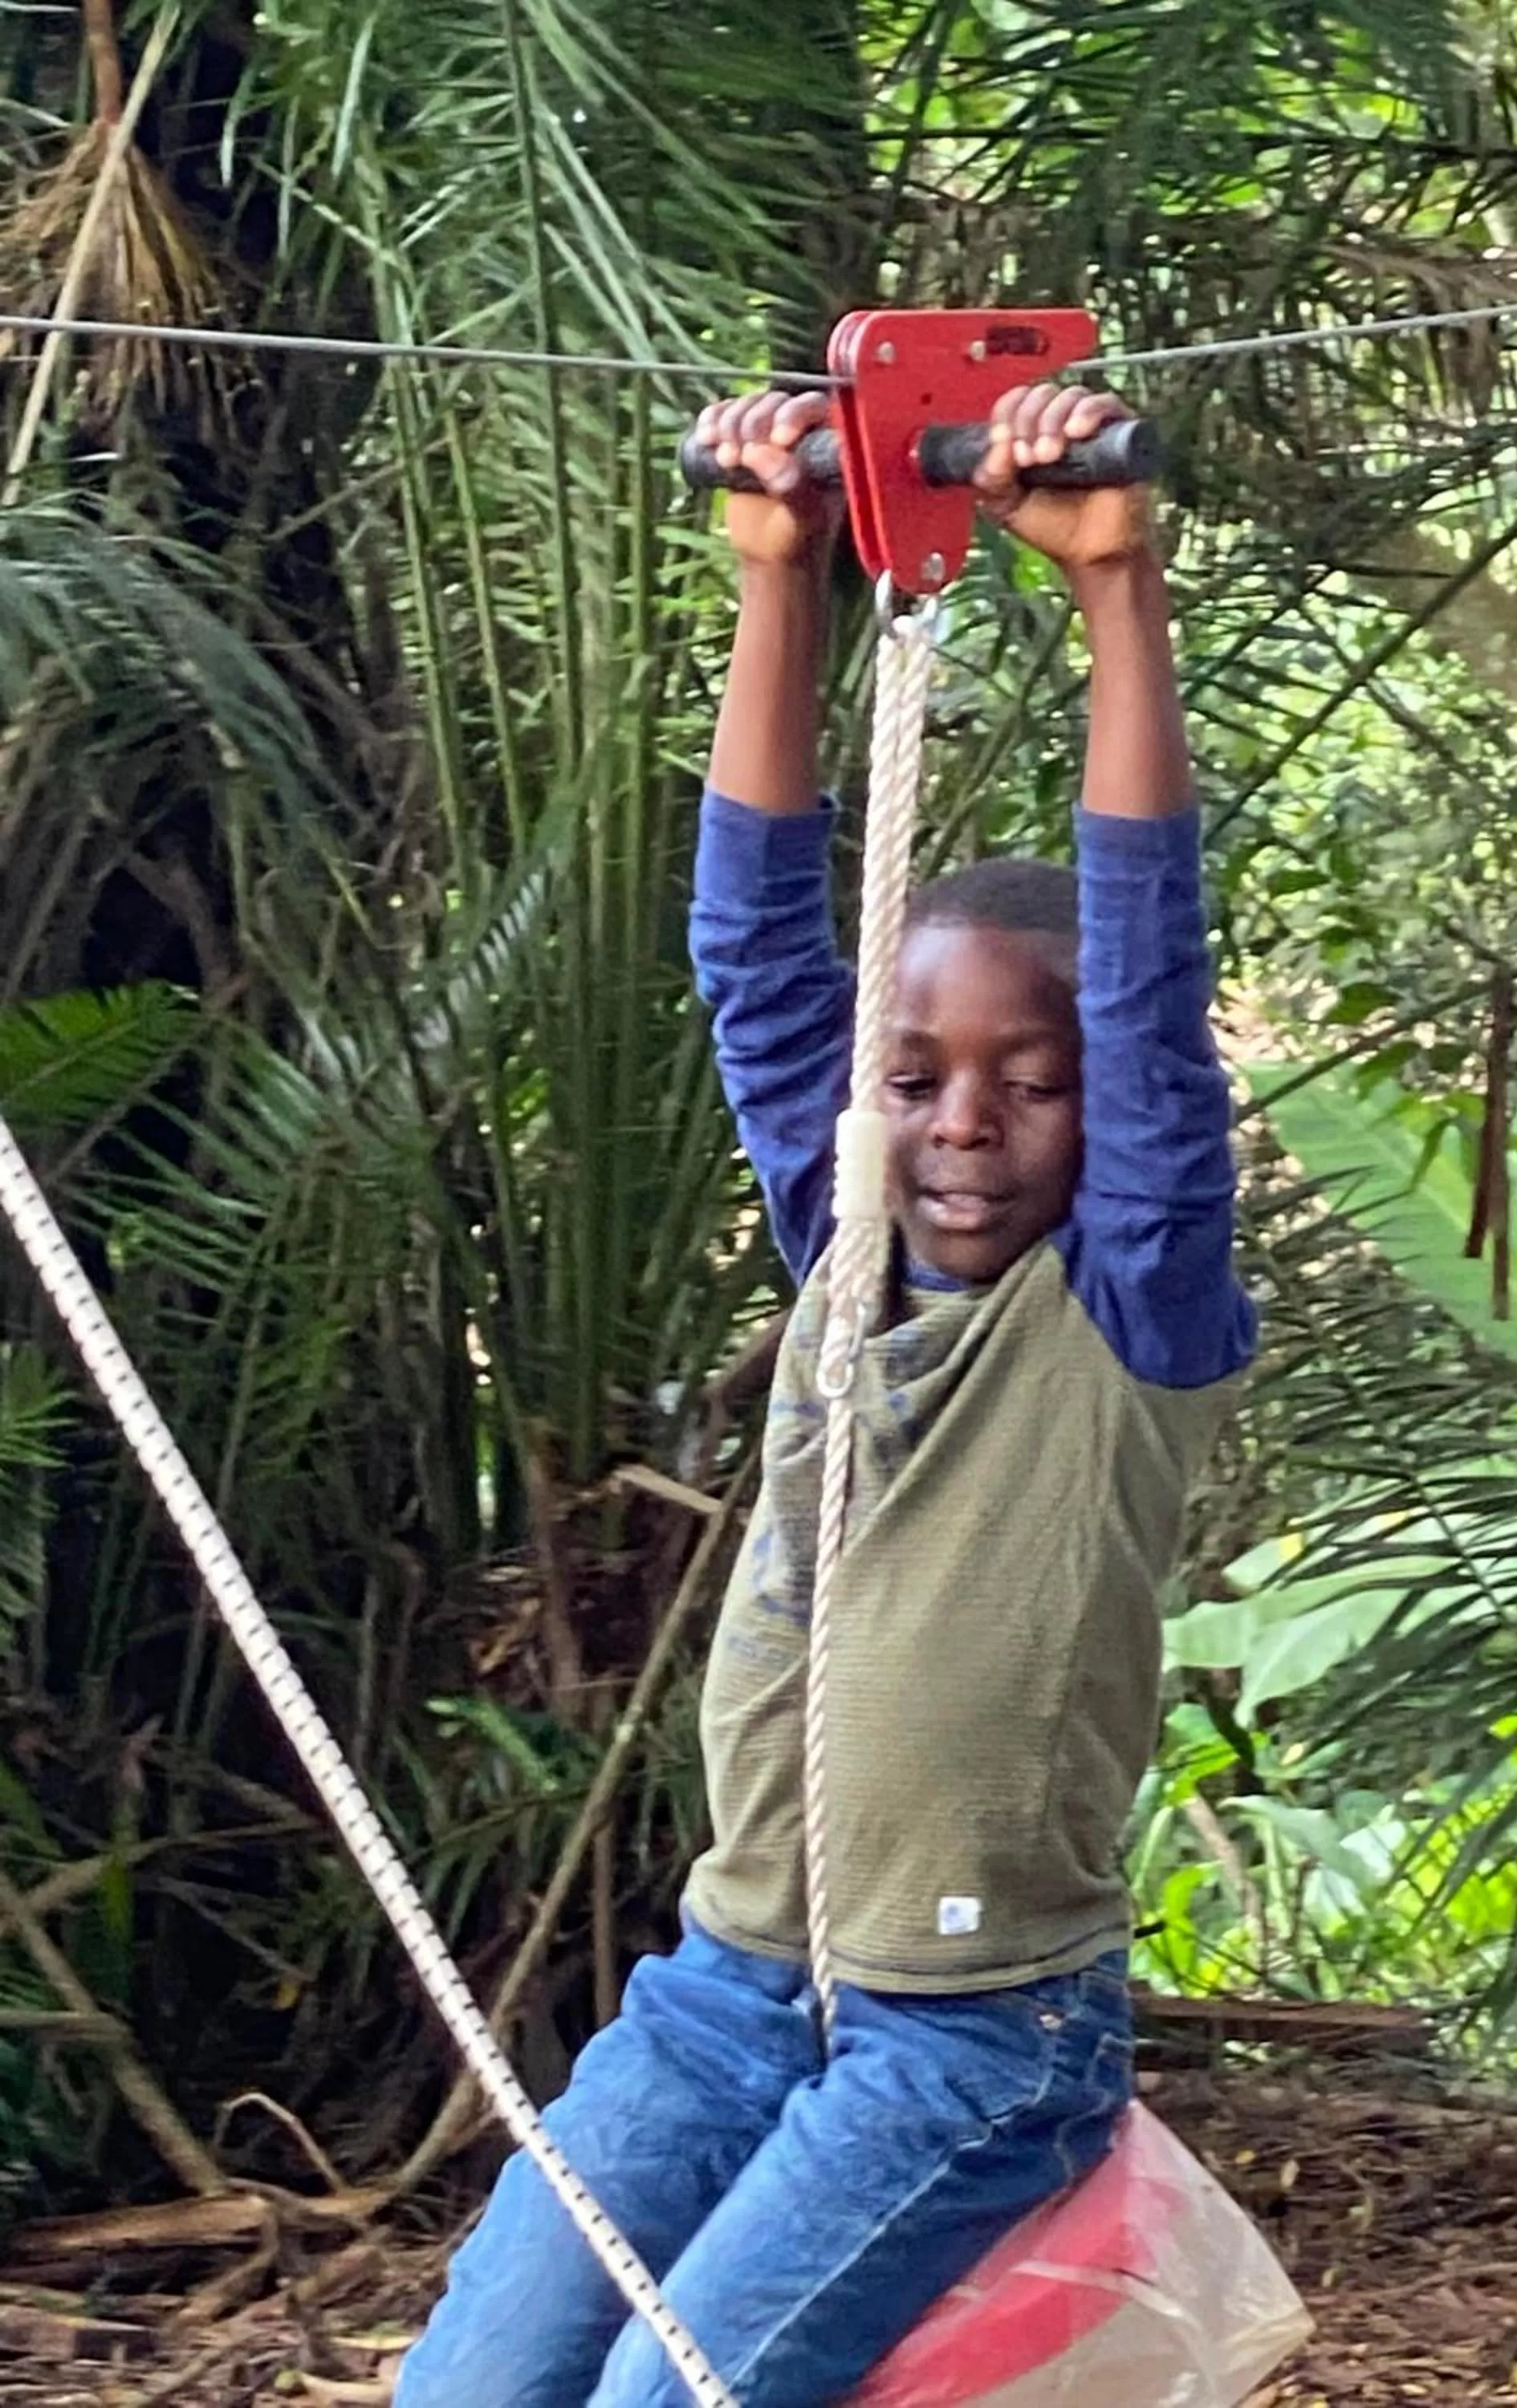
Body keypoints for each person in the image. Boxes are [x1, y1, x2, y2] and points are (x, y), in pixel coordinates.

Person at [396, 379, 1256, 2408]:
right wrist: (777, 581)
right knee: (467, 2394)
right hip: (728, 1993)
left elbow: (1145, 962)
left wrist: (1118, 594)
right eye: (921, 1078)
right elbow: (759, 954)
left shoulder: (1126, 1310)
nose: (965, 1126)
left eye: (1033, 1086)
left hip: (968, 2038)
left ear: (1104, 1114)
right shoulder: (845, 1236)